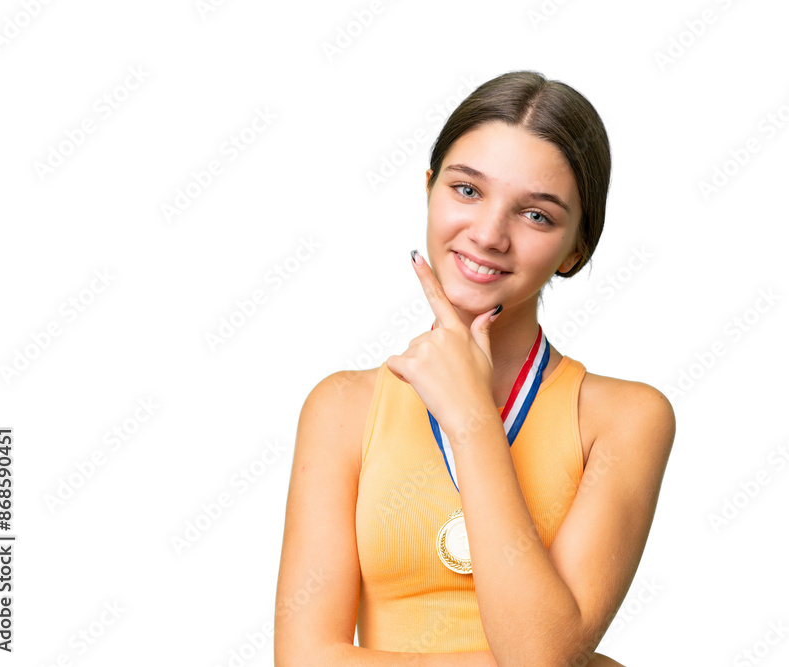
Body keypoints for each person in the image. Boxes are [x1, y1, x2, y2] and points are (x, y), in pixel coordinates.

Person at [274, 70, 676, 666]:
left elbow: (542, 659)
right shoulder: (342, 409)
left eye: (536, 215)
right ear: (430, 189)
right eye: (467, 190)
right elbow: (303, 660)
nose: (488, 234)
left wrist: (471, 419)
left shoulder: (624, 419)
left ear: (576, 249)